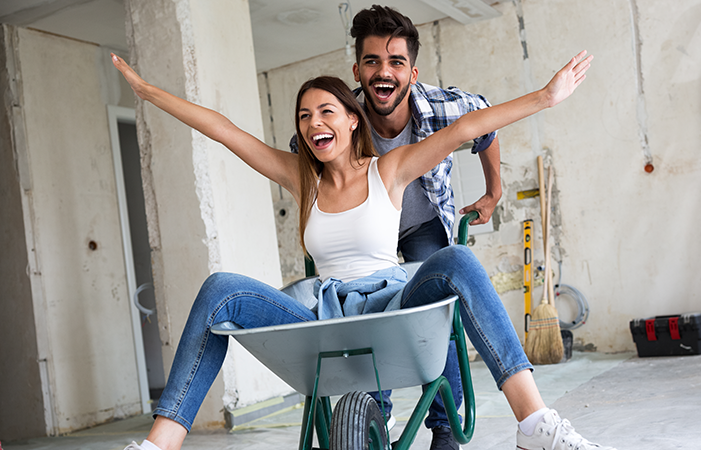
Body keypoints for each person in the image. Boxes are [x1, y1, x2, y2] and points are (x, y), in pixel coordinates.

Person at [112, 46, 612, 450]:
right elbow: (222, 131)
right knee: (221, 288)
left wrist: (545, 97)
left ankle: (534, 424)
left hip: (395, 308)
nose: (312, 123)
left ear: (353, 120)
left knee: (456, 258)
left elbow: (464, 128)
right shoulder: (299, 179)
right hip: (327, 318)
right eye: (304, 116)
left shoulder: (388, 171)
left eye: (325, 111)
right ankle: (160, 445)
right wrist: (147, 92)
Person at [288, 9, 504, 444]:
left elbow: (485, 123)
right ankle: (373, 411)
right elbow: (304, 153)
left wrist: (493, 190)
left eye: (395, 63)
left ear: (412, 71)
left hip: (423, 222)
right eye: (372, 62)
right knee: (367, 312)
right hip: (362, 234)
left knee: (432, 314)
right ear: (357, 70)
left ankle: (444, 426)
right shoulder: (338, 117)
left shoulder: (442, 107)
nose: (383, 73)